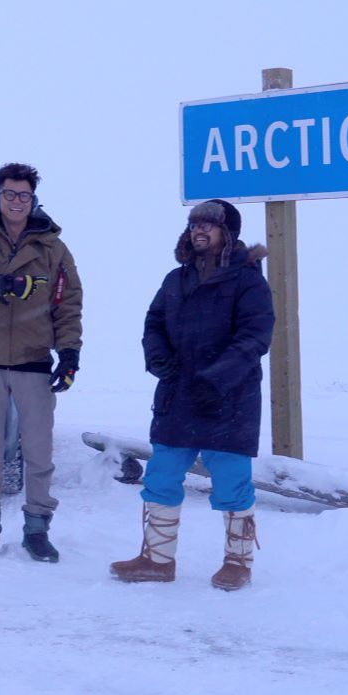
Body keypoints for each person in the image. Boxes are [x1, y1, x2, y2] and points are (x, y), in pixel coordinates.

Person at [110, 198, 274, 590]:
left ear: (227, 233)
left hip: (230, 400)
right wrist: (159, 360)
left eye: (209, 225)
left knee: (232, 484)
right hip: (178, 395)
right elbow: (154, 323)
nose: (199, 230)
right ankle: (157, 559)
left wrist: (215, 378)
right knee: (162, 475)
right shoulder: (175, 280)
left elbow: (255, 337)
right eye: (194, 224)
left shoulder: (248, 280)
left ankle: (238, 563)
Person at [0, 162, 83, 563]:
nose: (16, 202)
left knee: (40, 453)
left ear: (33, 200)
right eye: (9, 194)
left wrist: (70, 353)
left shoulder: (54, 249)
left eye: (23, 195)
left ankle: (37, 529)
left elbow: (68, 303)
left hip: (34, 361)